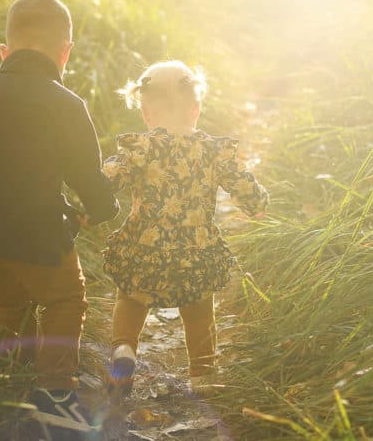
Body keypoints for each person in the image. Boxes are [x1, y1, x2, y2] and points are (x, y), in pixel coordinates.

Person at [0, 0, 118, 436]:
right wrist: (103, 208)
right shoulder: (65, 103)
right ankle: (56, 395)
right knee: (65, 299)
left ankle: (8, 377)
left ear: (5, 52)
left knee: (11, 300)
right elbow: (87, 175)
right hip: (33, 230)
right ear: (66, 53)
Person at [101, 60, 269, 399]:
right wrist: (258, 204)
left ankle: (124, 351)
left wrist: (92, 199)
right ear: (195, 110)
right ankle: (203, 374)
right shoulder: (211, 150)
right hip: (195, 250)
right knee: (198, 311)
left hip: (144, 247)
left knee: (131, 299)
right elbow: (242, 184)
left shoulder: (142, 148)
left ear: (147, 113)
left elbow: (108, 179)